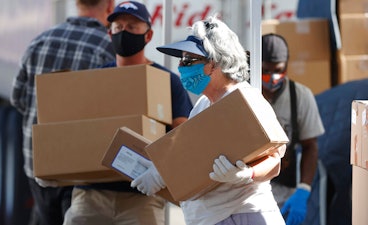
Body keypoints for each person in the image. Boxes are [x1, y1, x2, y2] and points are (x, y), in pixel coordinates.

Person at [131, 16, 287, 225]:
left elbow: (274, 160)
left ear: (213, 63)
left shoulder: (246, 100)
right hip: (211, 218)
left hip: (244, 214)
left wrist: (246, 174)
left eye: (188, 60)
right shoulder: (203, 105)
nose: (181, 67)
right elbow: (191, 153)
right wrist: (159, 174)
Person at [63, 1, 193, 225]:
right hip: (91, 195)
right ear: (109, 32)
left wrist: (160, 172)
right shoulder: (94, 79)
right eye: (118, 27)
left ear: (148, 35)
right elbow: (75, 131)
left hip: (142, 198)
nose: (124, 33)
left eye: (132, 27)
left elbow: (183, 135)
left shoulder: (166, 82)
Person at [10, 1, 116, 224]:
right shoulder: (107, 48)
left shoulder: (40, 42)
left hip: (39, 164)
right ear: (110, 5)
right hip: (80, 168)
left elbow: (17, 98)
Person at [261, 33, 325, 225]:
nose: (272, 78)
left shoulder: (301, 97)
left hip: (284, 193)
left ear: (287, 66)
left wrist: (303, 190)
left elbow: (310, 146)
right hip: (248, 192)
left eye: (278, 70)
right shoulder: (244, 93)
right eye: (265, 71)